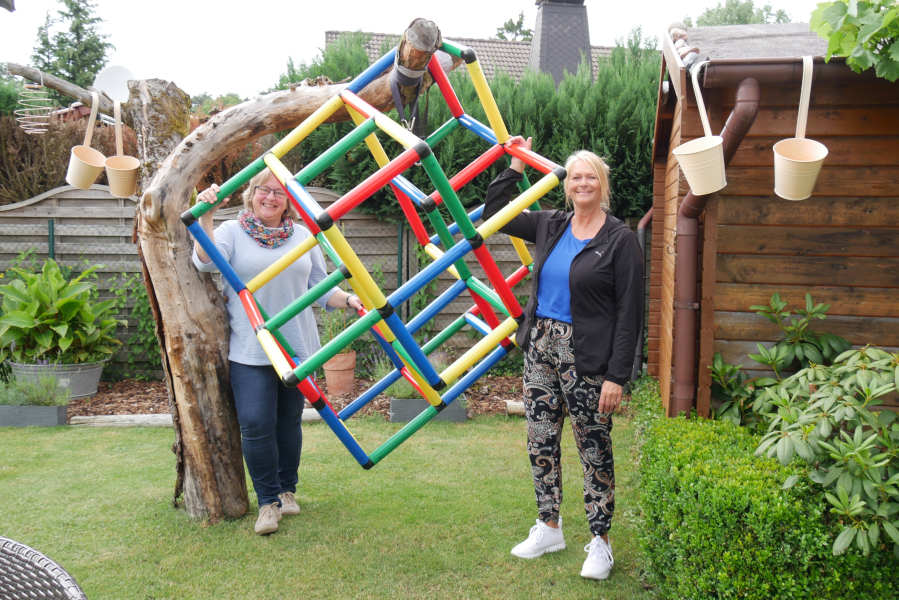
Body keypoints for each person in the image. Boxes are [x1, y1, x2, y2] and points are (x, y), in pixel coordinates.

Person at [483, 137, 643, 580]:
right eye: (576, 176)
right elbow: (497, 212)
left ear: (603, 184)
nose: (583, 183)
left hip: (588, 356)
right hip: (540, 347)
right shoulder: (550, 224)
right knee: (540, 440)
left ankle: (601, 542)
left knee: (593, 446)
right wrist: (515, 166)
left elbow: (631, 313)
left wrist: (617, 376)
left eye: (592, 175)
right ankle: (549, 525)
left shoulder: (620, 239)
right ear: (567, 185)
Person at [192, 169, 363, 535]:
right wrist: (205, 213)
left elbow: (320, 287)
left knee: (288, 422)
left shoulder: (304, 236)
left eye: (279, 193)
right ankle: (267, 502)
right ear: (250, 193)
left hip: (298, 347)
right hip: (251, 346)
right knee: (255, 422)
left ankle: (287, 490)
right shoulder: (230, 232)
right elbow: (205, 262)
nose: (270, 198)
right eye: (263, 191)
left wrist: (348, 299)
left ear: (289, 202)